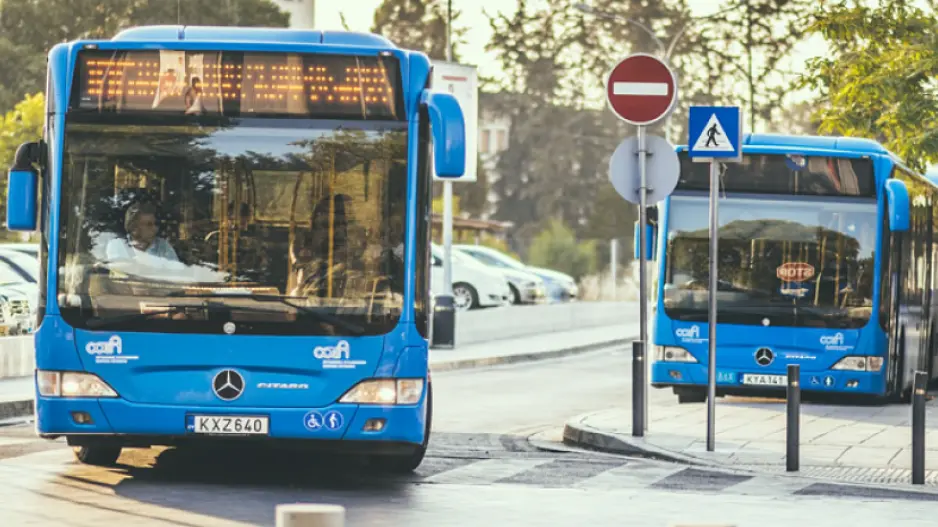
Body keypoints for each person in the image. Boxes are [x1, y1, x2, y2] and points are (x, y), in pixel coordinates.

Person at [105, 202, 179, 265]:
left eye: (155, 224)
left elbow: (176, 274)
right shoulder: (117, 245)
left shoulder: (163, 247)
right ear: (134, 228)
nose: (155, 228)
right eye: (149, 224)